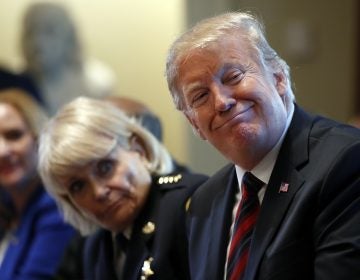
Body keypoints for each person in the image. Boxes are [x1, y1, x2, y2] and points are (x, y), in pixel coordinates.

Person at [165, 11, 360, 280]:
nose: (221, 102)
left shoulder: (346, 162)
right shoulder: (204, 201)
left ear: (279, 78)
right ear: (194, 124)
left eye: (233, 77)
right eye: (200, 96)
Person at [38, 96, 208, 280]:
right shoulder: (93, 247)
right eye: (78, 186)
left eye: (105, 167)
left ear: (139, 150)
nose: (98, 192)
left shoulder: (190, 205)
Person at [0, 89, 75, 279]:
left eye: (13, 135)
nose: (2, 151)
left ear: (39, 138)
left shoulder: (58, 208)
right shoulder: (8, 207)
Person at [20, 2, 116, 115]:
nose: (38, 42)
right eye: (31, 31)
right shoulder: (15, 83)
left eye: (49, 31)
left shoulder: (97, 82)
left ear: (69, 37)